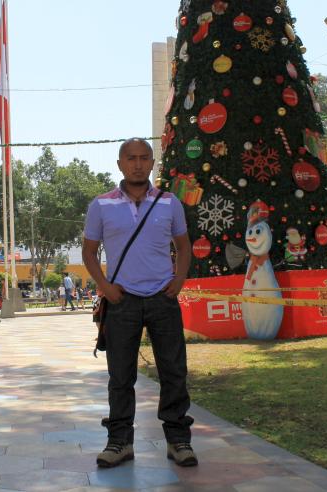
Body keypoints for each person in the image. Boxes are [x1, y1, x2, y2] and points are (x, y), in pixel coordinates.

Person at [82, 138, 196, 468]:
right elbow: (89, 252)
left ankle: (178, 441)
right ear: (120, 164)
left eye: (144, 158)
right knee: (120, 376)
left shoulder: (169, 202)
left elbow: (184, 246)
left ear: (152, 163)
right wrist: (104, 287)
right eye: (131, 158)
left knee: (174, 372)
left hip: (163, 298)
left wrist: (178, 280)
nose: (137, 164)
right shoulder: (101, 204)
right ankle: (119, 442)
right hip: (122, 301)